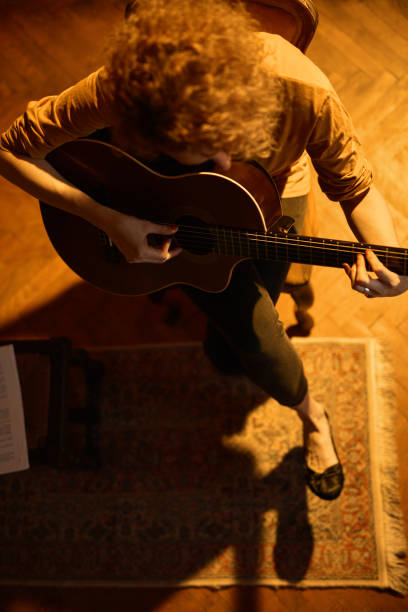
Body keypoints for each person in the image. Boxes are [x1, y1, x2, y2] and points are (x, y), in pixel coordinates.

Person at [0, 0, 406, 500]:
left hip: (277, 189)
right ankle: (312, 413)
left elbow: (356, 187)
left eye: (223, 151)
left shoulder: (305, 93)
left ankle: (234, 338)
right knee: (256, 337)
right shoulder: (129, 87)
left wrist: (390, 261)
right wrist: (107, 219)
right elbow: (11, 149)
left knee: (253, 309)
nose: (219, 164)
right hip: (163, 210)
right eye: (190, 156)